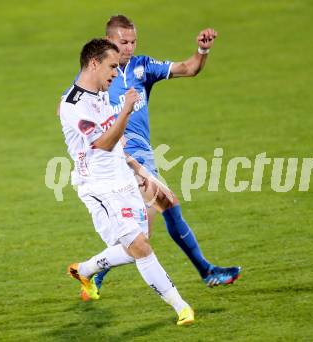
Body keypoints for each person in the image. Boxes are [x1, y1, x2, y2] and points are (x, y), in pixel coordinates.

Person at [87, 15, 241, 294]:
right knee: (148, 226)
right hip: (119, 159)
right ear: (109, 40)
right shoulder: (98, 76)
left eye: (133, 41)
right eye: (124, 42)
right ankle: (205, 273)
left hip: (142, 156)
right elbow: (70, 107)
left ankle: (94, 272)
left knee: (152, 221)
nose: (130, 47)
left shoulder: (142, 67)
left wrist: (202, 50)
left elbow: (189, 68)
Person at [59, 38, 194, 325]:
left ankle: (83, 270)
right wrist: (126, 111)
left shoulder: (101, 93)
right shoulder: (73, 105)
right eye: (111, 67)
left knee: (137, 247)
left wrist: (136, 168)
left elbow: (116, 140)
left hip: (122, 175)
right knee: (140, 248)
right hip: (98, 186)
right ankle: (181, 307)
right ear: (94, 63)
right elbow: (102, 144)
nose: (115, 74)